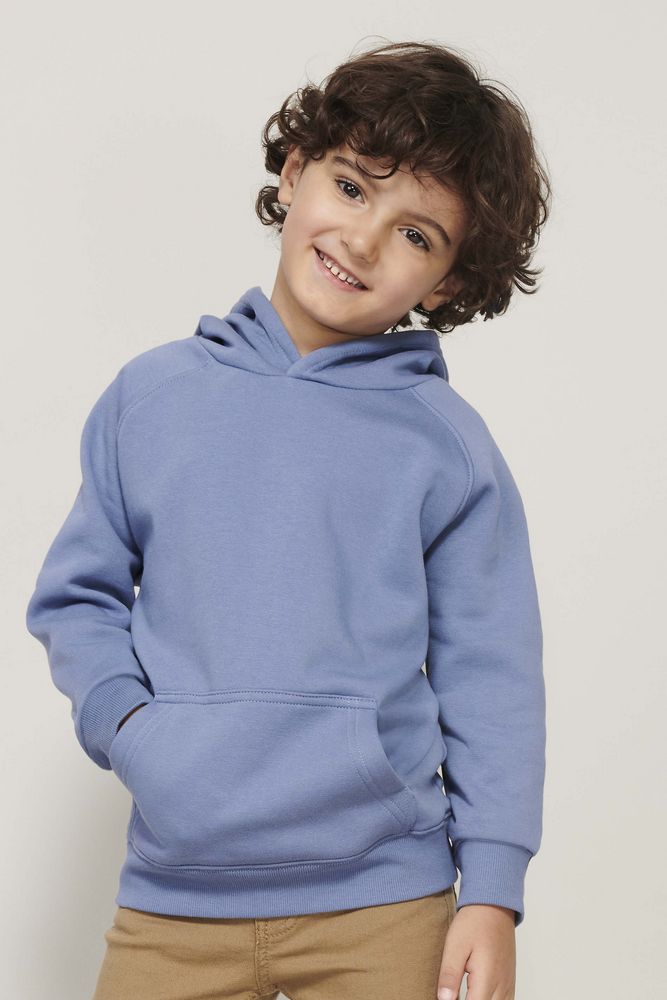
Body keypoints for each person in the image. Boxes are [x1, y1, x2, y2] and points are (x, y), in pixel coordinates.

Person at [25, 38, 551, 1000]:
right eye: (351, 188)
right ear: (294, 171)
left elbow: (491, 676)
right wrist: (131, 727)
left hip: (386, 906)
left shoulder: (444, 445)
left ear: (445, 282)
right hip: (173, 900)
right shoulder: (152, 398)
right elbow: (77, 598)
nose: (363, 240)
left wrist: (491, 891)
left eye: (415, 234)